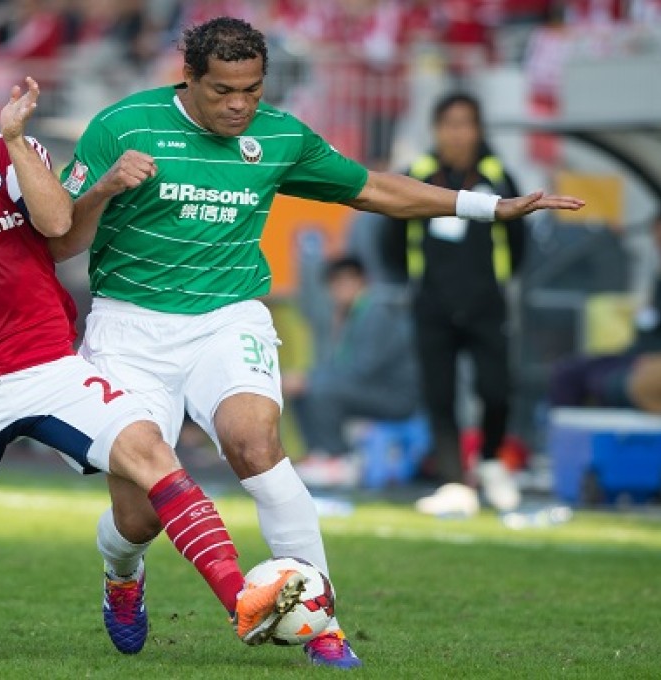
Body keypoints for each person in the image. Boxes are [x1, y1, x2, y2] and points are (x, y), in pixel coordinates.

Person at [50, 16, 583, 668]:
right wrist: (104, 186)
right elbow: (58, 238)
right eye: (222, 91)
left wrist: (487, 207)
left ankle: (320, 619)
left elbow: (377, 189)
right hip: (130, 326)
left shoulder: (278, 135)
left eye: (251, 89)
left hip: (227, 316)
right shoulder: (122, 126)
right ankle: (122, 574)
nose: (240, 105)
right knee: (140, 514)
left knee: (258, 444)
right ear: (186, 77)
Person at [0, 54, 306, 655]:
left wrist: (18, 139)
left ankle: (240, 600)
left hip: (49, 368)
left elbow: (54, 224)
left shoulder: (13, 155)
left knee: (152, 455)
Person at [384, 92, 529, 517]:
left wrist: (488, 284)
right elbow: (392, 241)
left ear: (479, 129)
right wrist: (425, 283)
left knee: (496, 390)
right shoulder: (419, 175)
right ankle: (452, 482)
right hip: (433, 305)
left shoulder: (500, 177)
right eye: (449, 123)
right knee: (439, 395)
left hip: (487, 305)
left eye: (466, 123)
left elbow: (519, 245)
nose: (457, 133)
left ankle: (490, 462)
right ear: (436, 129)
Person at [293, 255, 420, 487]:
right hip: (374, 388)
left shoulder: (376, 313)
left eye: (346, 281)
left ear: (362, 281)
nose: (340, 289)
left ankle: (339, 458)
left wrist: (310, 379)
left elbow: (364, 369)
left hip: (395, 395)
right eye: (335, 283)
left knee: (320, 389)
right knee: (302, 390)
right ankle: (320, 453)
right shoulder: (352, 312)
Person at [550, 214, 661, 411]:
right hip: (636, 352)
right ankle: (567, 439)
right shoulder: (657, 277)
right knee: (567, 371)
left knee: (609, 380)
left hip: (650, 359)